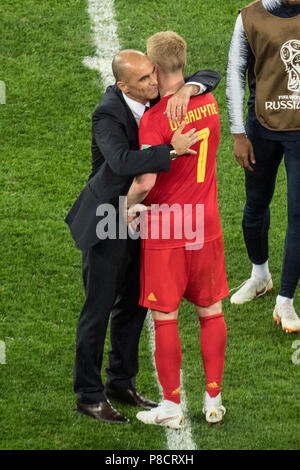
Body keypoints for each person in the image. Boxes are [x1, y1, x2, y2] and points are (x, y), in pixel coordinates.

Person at [65, 48, 221, 424]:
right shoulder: (107, 113)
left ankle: (121, 381)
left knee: (135, 304)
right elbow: (120, 161)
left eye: (154, 76)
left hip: (146, 216)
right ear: (123, 86)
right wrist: (171, 150)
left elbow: (206, 73)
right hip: (111, 217)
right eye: (144, 81)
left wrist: (191, 87)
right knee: (98, 308)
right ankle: (88, 394)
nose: (154, 83)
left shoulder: (153, 94)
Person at [126, 31, 228, 428]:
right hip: (206, 222)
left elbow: (146, 182)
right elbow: (209, 80)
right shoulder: (208, 101)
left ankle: (170, 406)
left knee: (165, 316)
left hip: (168, 227)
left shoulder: (154, 119)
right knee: (211, 311)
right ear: (184, 62)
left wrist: (127, 206)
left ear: (153, 68)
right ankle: (214, 399)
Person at [226, 0, 300, 333]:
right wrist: (238, 132)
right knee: (255, 204)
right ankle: (260, 276)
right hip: (261, 129)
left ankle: (285, 301)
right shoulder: (250, 17)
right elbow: (235, 75)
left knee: (298, 213)